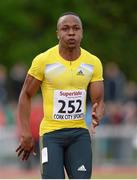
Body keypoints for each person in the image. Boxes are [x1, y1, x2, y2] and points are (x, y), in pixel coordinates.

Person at [16, 12, 105, 179]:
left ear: (82, 32)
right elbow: (26, 95)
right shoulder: (43, 61)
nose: (71, 32)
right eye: (65, 29)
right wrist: (26, 132)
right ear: (58, 33)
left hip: (79, 133)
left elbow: (98, 101)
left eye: (76, 28)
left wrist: (98, 113)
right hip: (51, 134)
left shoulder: (93, 62)